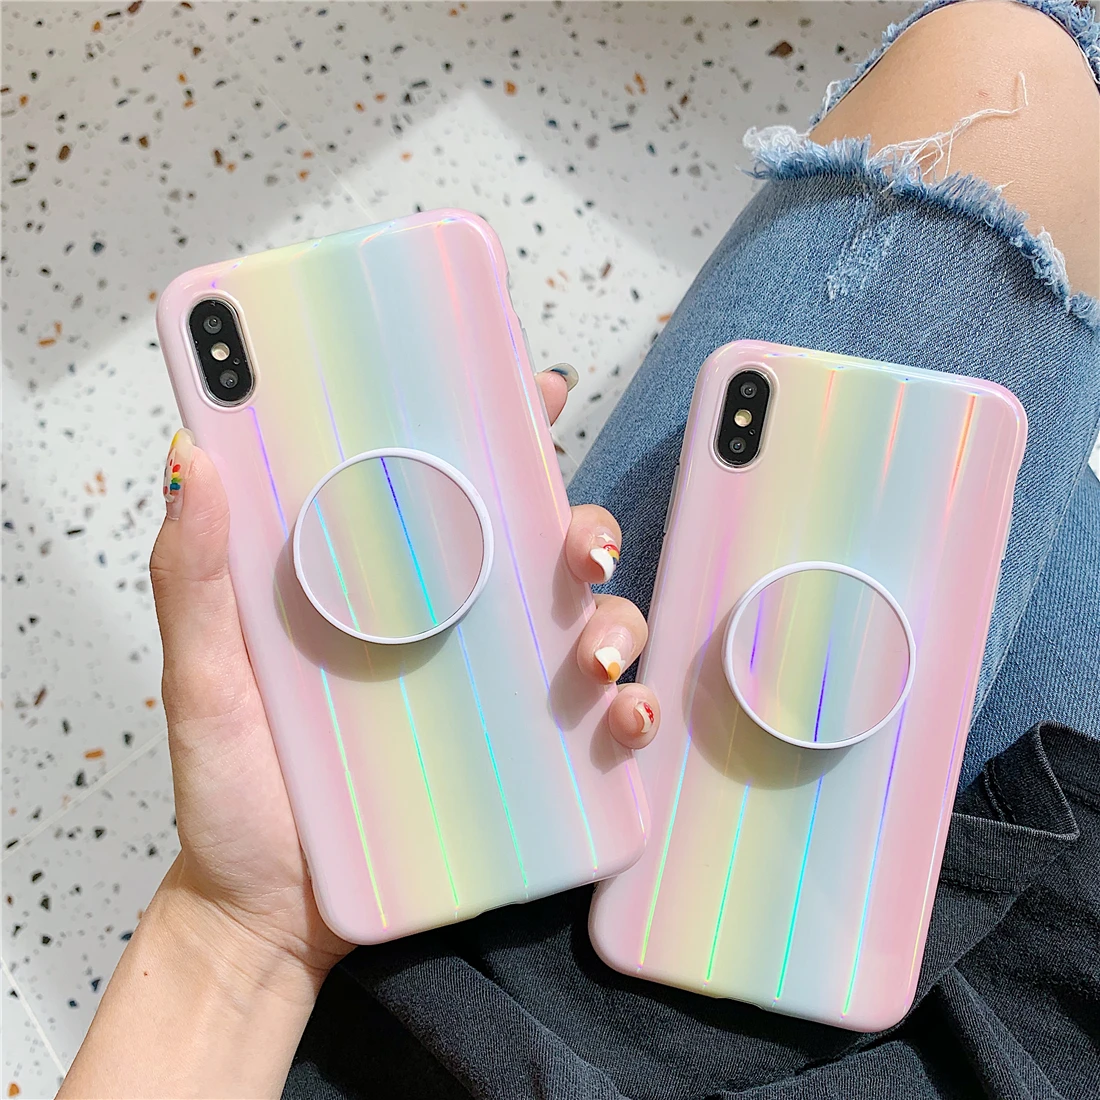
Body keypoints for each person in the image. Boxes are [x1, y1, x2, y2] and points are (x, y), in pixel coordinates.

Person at [59, 1, 1099, 1097]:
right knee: (1007, 93)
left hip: (470, 1002)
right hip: (1028, 1030)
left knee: (1004, 152)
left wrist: (234, 933)